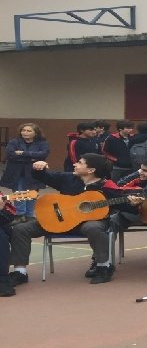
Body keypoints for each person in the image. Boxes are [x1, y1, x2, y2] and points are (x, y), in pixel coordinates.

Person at [8, 154, 121, 285]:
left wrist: (133, 201)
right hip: (59, 222)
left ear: (91, 170)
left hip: (87, 224)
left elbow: (122, 203)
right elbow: (42, 176)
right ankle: (20, 272)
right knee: (20, 229)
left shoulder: (107, 186)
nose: (75, 164)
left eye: (80, 162)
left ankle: (103, 267)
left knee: (93, 227)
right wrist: (39, 167)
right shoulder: (68, 178)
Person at [0, 122, 50, 219]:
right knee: (19, 195)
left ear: (35, 133)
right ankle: (20, 216)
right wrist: (32, 158)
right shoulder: (14, 142)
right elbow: (10, 155)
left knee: (32, 195)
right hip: (17, 173)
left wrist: (22, 153)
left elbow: (43, 154)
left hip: (34, 174)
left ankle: (29, 217)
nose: (25, 132)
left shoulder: (42, 143)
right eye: (23, 130)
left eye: (28, 131)